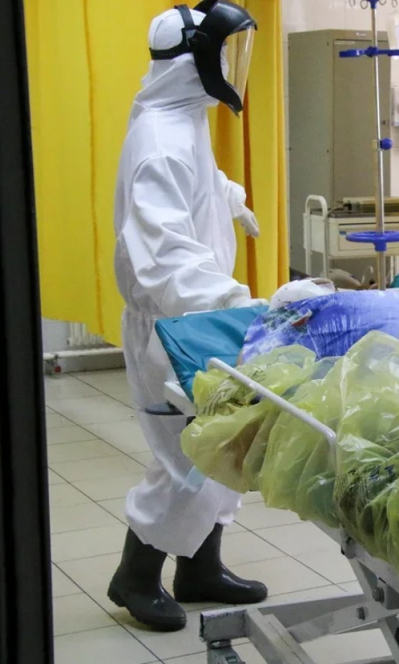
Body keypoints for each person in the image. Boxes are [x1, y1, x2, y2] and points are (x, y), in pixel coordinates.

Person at [108, 1, 269, 632]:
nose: (232, 67)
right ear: (194, 60)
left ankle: (200, 568)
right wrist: (232, 301)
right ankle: (135, 575)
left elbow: (197, 179)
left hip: (195, 316)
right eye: (225, 54)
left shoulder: (180, 117)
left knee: (221, 441)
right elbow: (164, 255)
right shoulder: (159, 142)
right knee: (186, 455)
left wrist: (228, 197)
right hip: (171, 323)